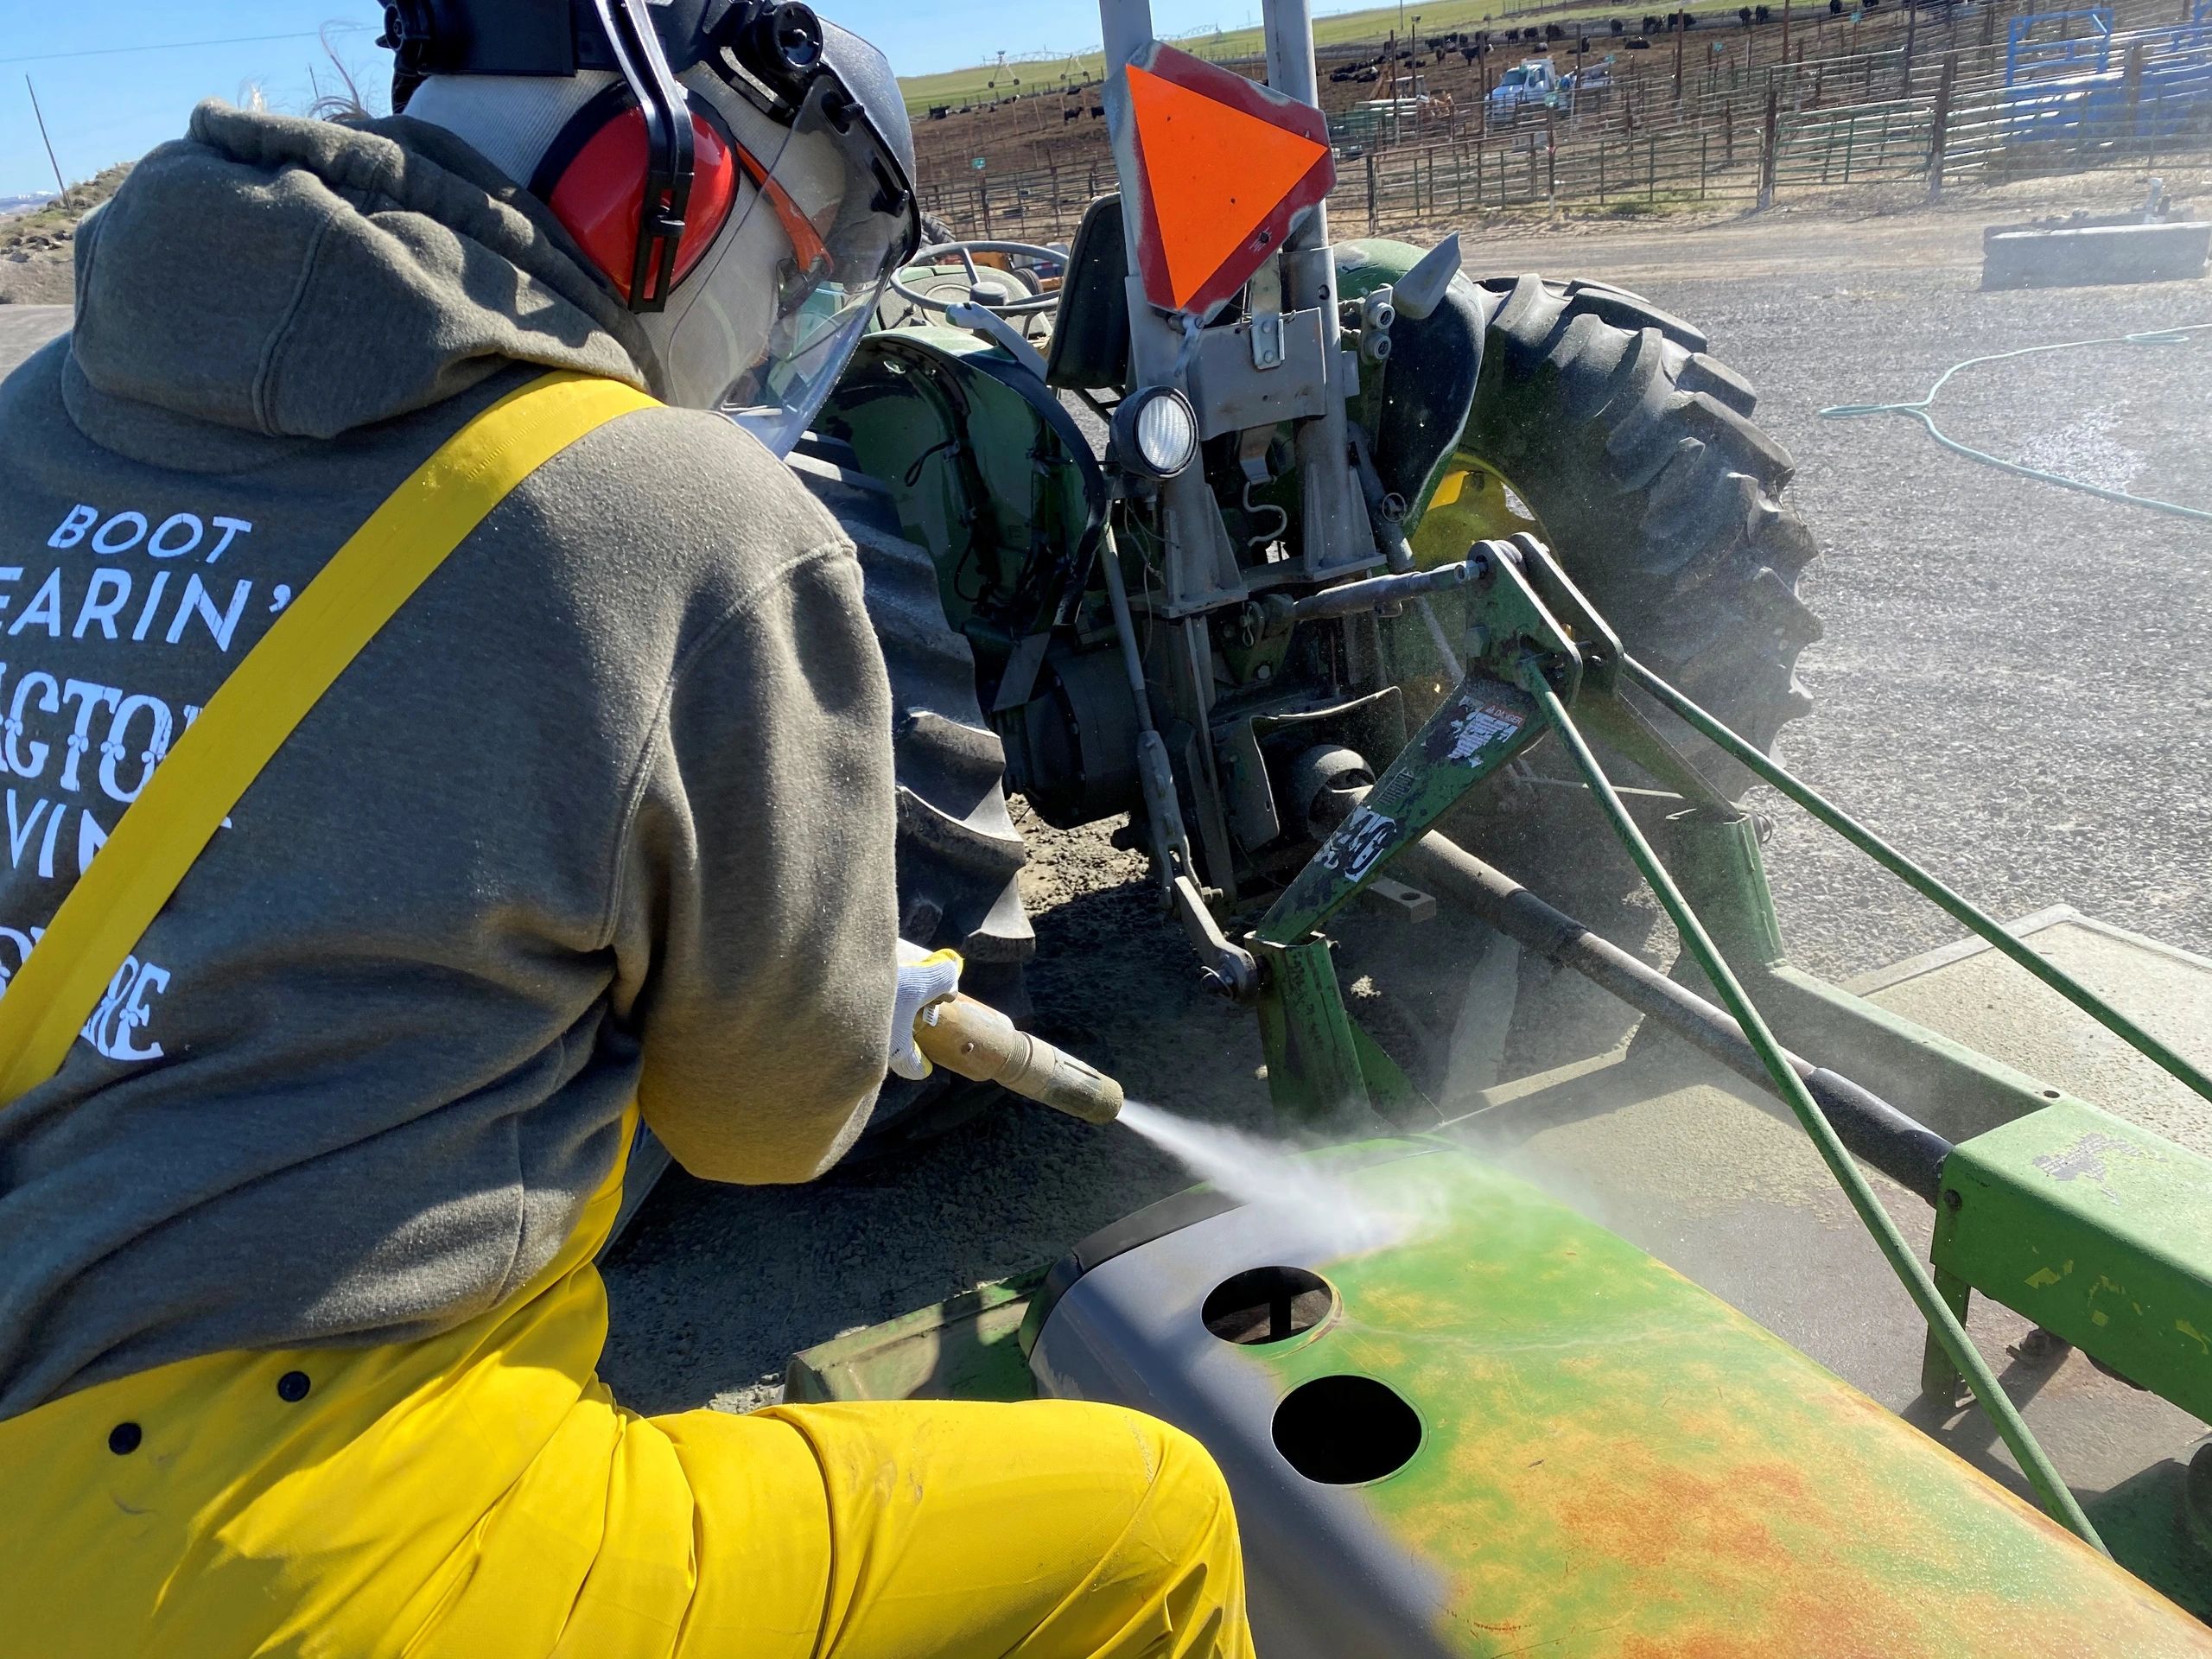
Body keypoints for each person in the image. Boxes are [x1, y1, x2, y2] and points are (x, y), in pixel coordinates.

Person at [0, 1, 1253, 1653]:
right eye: (795, 264)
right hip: (307, 1552)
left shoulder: (35, 423)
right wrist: (815, 980)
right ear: (669, 162)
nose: (771, 331)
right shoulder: (676, 508)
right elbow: (762, 1124)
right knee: (1156, 1524)